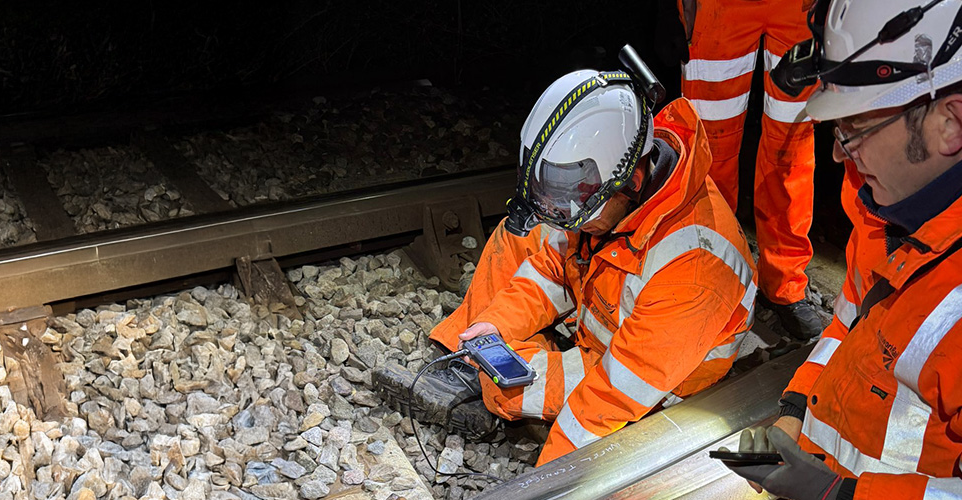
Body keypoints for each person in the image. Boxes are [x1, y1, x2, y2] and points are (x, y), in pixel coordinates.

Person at [376, 66, 757, 465]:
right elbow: (552, 268)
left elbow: (609, 398)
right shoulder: (613, 193)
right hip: (611, 314)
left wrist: (547, 486)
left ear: (633, 179)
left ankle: (484, 387)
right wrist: (498, 324)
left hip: (651, 375)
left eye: (574, 208)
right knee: (521, 235)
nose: (565, 218)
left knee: (504, 388)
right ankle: (467, 356)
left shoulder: (695, 269)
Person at [723, 0, 962, 497]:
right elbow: (849, 328)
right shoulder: (887, 211)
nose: (838, 152)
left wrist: (841, 495)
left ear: (950, 124)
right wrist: (795, 414)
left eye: (856, 128)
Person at [658, 0, 823, 339]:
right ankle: (709, 274)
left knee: (791, 143)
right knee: (708, 148)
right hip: (718, 7)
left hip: (799, 9)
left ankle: (784, 282)